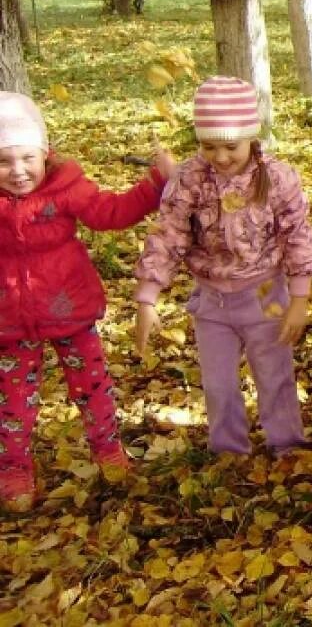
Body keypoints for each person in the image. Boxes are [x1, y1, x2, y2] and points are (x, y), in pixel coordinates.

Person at [0, 93, 172, 512]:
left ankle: (108, 450)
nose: (18, 171)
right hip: (9, 318)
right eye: (4, 161)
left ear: (44, 154)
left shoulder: (65, 189)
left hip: (67, 307)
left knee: (91, 386)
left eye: (27, 158)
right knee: (12, 401)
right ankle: (14, 470)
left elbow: (109, 212)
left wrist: (154, 185)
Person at [134, 77, 312, 458]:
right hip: (213, 299)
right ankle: (229, 449)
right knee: (218, 382)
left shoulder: (277, 178)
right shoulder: (190, 178)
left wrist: (299, 299)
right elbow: (168, 234)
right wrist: (147, 297)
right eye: (208, 145)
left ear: (251, 136)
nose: (220, 156)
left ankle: (287, 444)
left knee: (274, 373)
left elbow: (297, 235)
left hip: (266, 292)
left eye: (230, 146)